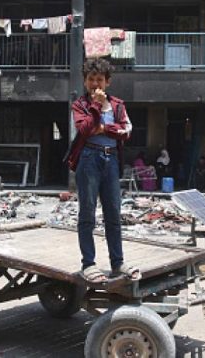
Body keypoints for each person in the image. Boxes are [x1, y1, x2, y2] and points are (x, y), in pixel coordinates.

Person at [65, 58, 141, 283]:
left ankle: (117, 263)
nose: (95, 84)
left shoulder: (118, 105)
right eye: (91, 79)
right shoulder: (80, 105)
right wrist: (96, 106)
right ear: (85, 81)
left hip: (111, 160)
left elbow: (127, 131)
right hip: (89, 158)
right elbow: (85, 130)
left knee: (113, 214)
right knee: (87, 213)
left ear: (108, 82)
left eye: (100, 79)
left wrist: (104, 128)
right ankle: (88, 264)